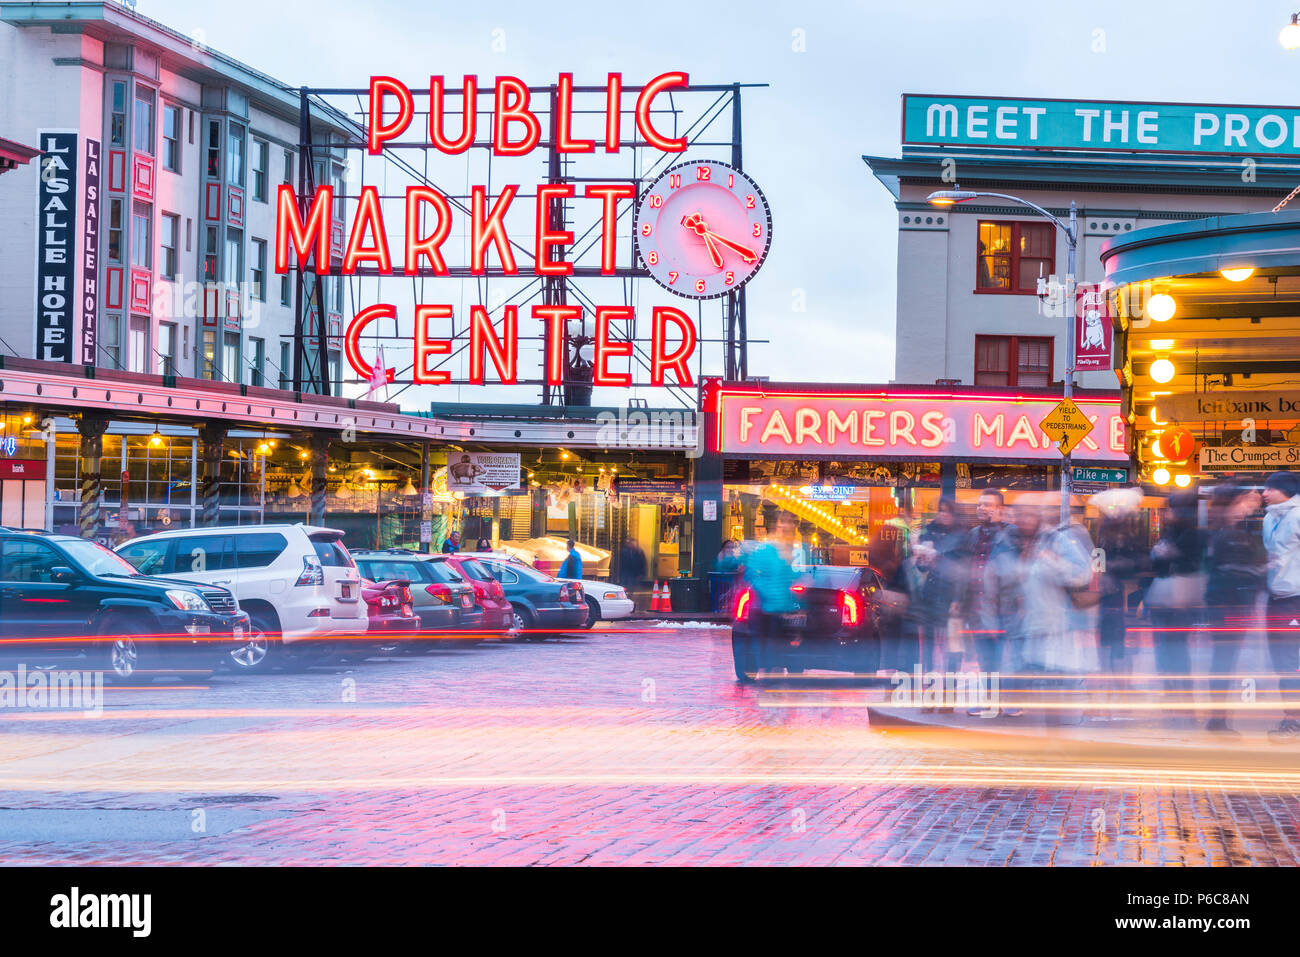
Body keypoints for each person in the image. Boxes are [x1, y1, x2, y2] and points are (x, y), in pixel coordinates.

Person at [1203, 482, 1265, 734]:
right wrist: (1262, 569)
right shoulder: (1228, 536)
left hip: (1224, 605)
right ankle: (1217, 718)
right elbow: (1232, 571)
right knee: (1224, 662)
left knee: (1223, 661)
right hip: (1230, 606)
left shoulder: (1221, 531)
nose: (1246, 510)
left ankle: (1218, 717)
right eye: (1243, 503)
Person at [1145, 491, 1203, 700]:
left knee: (1175, 643)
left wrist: (1168, 554)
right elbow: (1157, 563)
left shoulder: (1191, 535)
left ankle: (1181, 688)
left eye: (1170, 508)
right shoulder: (1170, 533)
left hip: (1179, 598)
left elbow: (1187, 565)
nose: (1166, 513)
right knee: (1164, 642)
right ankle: (1171, 686)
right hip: (1163, 597)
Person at [1261, 471, 1300, 741]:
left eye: (1269, 488)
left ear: (1285, 489)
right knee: (1282, 662)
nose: (1263, 493)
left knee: (1289, 662)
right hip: (1277, 598)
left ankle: (1293, 722)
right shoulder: (1269, 518)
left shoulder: (1297, 515)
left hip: (1295, 597)